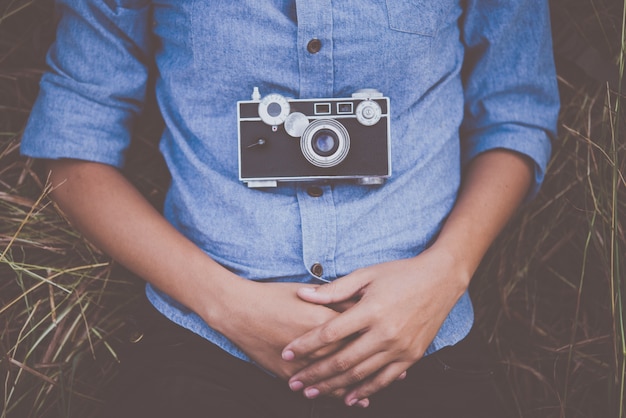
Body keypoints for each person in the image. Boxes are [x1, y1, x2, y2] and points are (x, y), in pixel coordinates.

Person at [21, 1, 559, 416]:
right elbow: (72, 146)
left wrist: (446, 273)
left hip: (419, 334)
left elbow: (516, 114)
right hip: (207, 337)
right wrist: (227, 306)